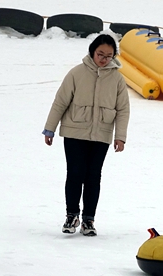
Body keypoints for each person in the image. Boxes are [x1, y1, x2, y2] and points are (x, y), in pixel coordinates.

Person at [43, 32, 130, 237]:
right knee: (75, 174)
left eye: (108, 56)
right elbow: (61, 102)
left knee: (93, 177)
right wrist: (50, 128)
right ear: (92, 52)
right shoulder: (76, 73)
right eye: (100, 54)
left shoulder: (117, 79)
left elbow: (123, 109)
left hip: (102, 134)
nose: (104, 59)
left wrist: (120, 136)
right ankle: (71, 215)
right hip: (75, 132)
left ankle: (88, 219)